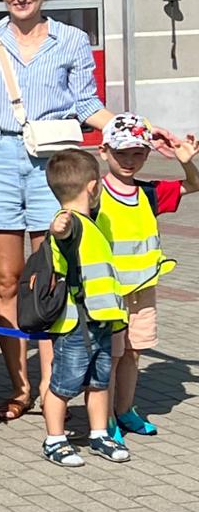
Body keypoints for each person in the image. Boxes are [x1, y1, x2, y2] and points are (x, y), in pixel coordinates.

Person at [0, 0, 161, 422]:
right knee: (6, 279)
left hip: (55, 166)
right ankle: (19, 387)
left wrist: (135, 130)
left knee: (51, 278)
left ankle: (51, 384)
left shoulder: (72, 40)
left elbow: (87, 105)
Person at [94, 114, 197, 441]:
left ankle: (125, 410)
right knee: (110, 357)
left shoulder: (149, 193)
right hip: (107, 293)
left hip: (142, 292)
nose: (129, 160)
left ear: (147, 155)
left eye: (137, 153)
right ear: (104, 151)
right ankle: (105, 419)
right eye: (121, 153)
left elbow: (193, 184)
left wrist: (185, 162)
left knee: (133, 352)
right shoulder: (94, 194)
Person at [37, 149, 134, 467]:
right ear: (93, 187)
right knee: (63, 384)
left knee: (99, 381)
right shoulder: (73, 224)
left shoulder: (91, 224)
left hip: (100, 320)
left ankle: (99, 434)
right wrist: (59, 227)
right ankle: (54, 439)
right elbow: (61, 234)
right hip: (76, 323)